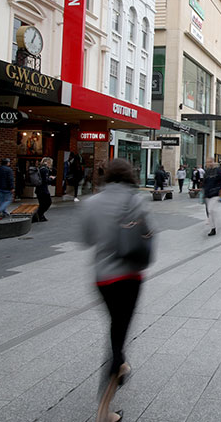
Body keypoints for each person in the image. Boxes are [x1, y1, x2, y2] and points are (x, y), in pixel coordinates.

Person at [80, 159, 152, 422]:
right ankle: (103, 411)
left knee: (115, 327)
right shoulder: (136, 200)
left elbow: (86, 239)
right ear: (129, 175)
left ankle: (121, 365)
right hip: (129, 276)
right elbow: (147, 236)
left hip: (102, 279)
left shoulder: (92, 202)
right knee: (117, 340)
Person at [202, 158, 221, 236]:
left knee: (211, 210)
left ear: (213, 162)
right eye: (207, 162)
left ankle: (215, 225)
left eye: (210, 162)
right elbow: (204, 182)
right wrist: (204, 192)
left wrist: (218, 190)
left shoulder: (217, 171)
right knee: (210, 211)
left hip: (215, 194)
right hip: (208, 194)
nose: (209, 163)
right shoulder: (206, 172)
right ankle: (213, 228)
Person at [35, 157, 53, 222]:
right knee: (48, 202)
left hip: (39, 190)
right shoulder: (45, 169)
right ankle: (39, 215)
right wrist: (51, 179)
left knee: (42, 203)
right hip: (43, 190)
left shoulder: (40, 168)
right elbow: (45, 180)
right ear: (48, 162)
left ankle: (40, 216)